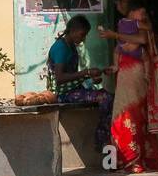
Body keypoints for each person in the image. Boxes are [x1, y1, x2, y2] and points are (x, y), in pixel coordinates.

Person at [98, 0, 158, 173]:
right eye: (141, 13)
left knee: (132, 115)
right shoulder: (124, 24)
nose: (143, 17)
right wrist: (114, 66)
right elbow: (121, 48)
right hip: (125, 73)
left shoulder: (137, 26)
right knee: (124, 116)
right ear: (132, 11)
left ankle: (134, 160)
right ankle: (128, 159)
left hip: (134, 74)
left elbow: (142, 38)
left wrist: (115, 36)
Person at [47, 17, 112, 149]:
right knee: (105, 98)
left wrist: (91, 77)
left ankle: (106, 136)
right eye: (82, 34)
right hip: (62, 94)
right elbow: (60, 78)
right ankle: (102, 139)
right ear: (73, 30)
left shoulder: (70, 45)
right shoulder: (61, 47)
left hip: (73, 89)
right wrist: (86, 73)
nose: (83, 39)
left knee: (107, 95)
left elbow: (72, 75)